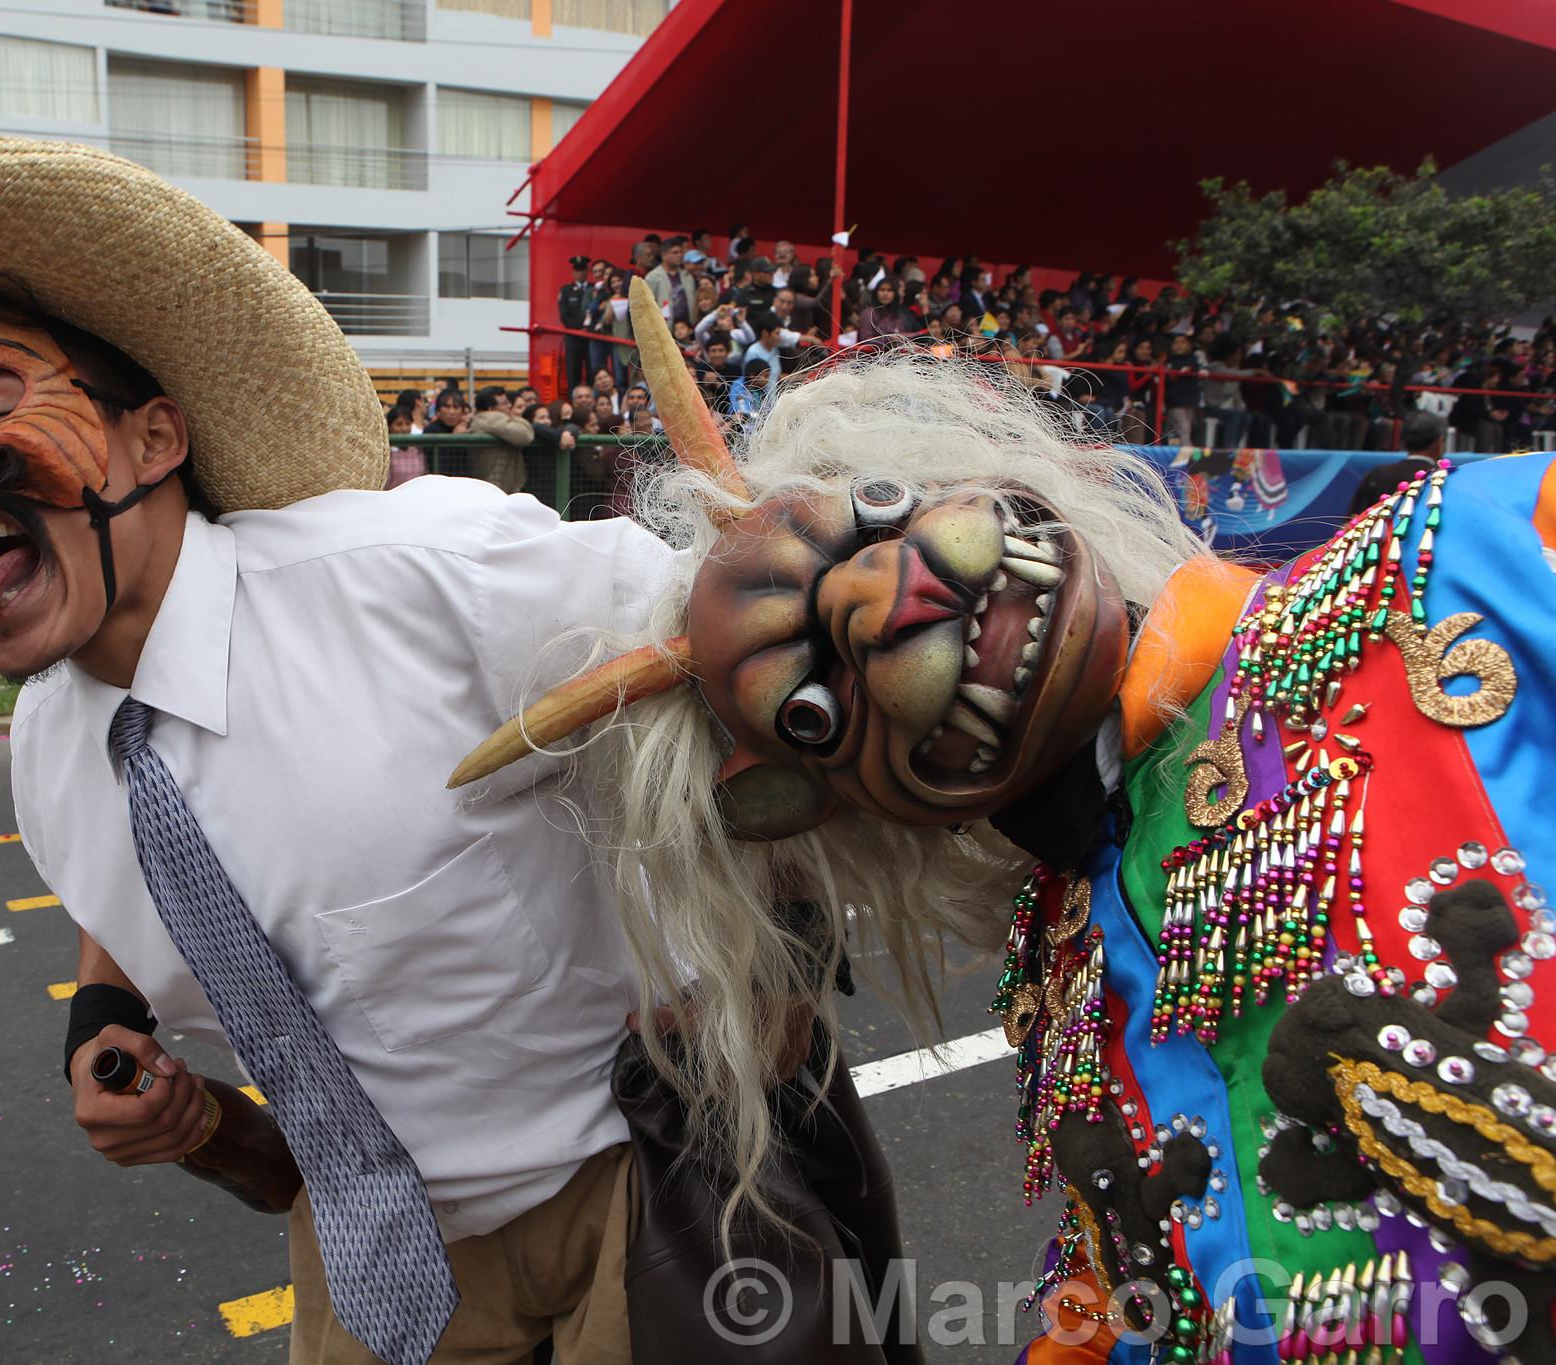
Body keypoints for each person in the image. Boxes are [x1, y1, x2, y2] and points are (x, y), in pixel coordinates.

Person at [0, 137, 926, 1365]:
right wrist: (101, 1017)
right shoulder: (52, 743)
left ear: (155, 437)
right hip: (373, 1252)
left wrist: (782, 953)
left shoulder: (423, 580)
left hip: (642, 1189)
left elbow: (757, 631)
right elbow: (138, 856)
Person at [464, 311, 1556, 1362]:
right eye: (812, 706)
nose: (875, 604)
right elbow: (1135, 1292)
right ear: (808, 803)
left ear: (978, 476)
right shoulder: (1061, 978)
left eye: (885, 513)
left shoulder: (1450, 567)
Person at [1345, 408, 1447, 514]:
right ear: (1439, 443)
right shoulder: (1441, 479)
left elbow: (1354, 520)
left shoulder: (1378, 475)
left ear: (1402, 441)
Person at [465, 384, 535, 494]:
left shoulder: (487, 419)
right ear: (490, 408)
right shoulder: (490, 420)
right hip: (495, 484)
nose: (509, 406)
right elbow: (526, 435)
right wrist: (514, 417)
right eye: (504, 403)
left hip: (498, 482)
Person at [557, 255, 596, 392]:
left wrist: (588, 328)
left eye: (583, 270)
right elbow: (564, 315)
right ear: (573, 273)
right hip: (574, 337)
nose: (580, 273)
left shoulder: (594, 288)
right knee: (574, 371)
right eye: (577, 270)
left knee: (593, 369)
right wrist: (580, 328)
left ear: (587, 271)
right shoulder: (566, 291)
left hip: (592, 336)